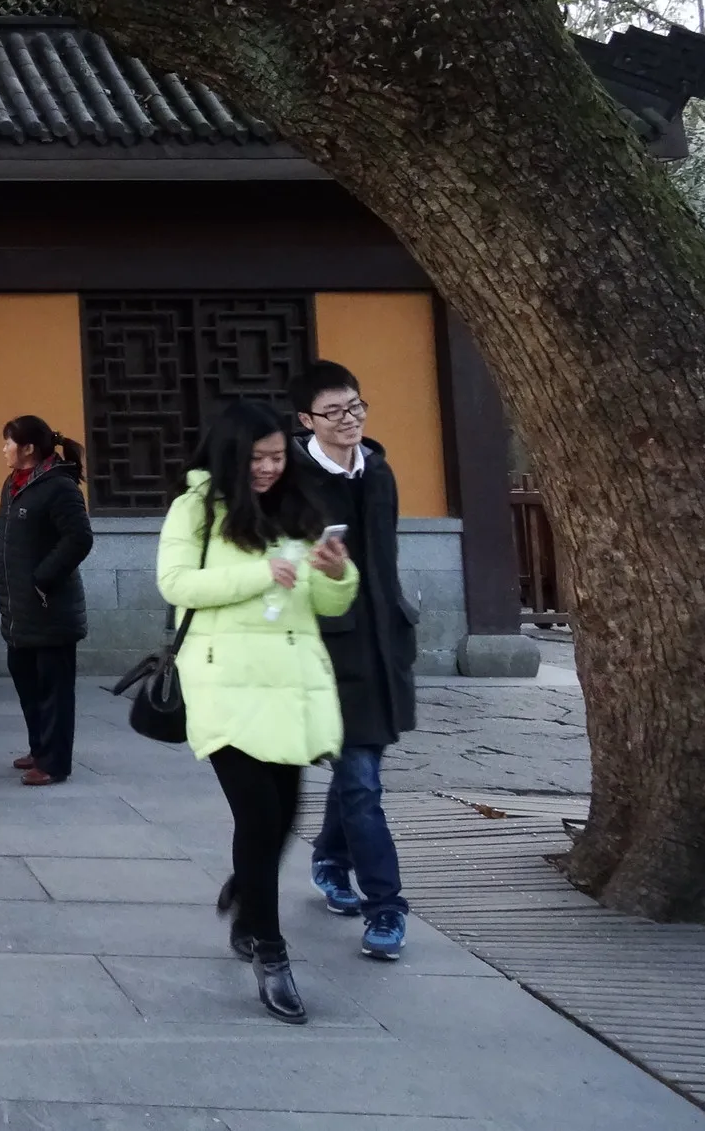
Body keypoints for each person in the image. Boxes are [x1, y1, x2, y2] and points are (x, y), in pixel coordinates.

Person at [157, 399, 357, 1024]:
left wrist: (337, 573)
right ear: (229, 456)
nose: (270, 468)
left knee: (280, 823)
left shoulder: (296, 508)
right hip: (226, 685)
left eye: (277, 456)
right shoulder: (196, 509)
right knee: (258, 817)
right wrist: (258, 575)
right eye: (258, 458)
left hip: (292, 687)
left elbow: (324, 605)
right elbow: (176, 585)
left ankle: (248, 892)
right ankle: (270, 953)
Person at [290, 360, 418, 961]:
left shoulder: (380, 471)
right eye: (335, 412)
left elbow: (386, 562)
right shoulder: (293, 479)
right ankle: (386, 908)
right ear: (306, 420)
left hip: (382, 644)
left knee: (359, 773)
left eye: (356, 407)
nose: (350, 421)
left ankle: (329, 857)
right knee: (362, 779)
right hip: (328, 651)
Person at [0, 414, 93, 787]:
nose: (4, 449)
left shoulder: (59, 486)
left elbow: (79, 538)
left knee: (54, 690)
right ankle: (39, 748)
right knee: (28, 682)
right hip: (18, 607)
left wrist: (44, 578)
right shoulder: (14, 484)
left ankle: (54, 763)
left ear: (28, 448)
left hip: (50, 606)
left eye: (9, 443)